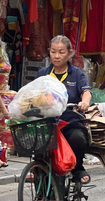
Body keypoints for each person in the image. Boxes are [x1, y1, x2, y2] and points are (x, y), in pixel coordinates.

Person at [36, 35, 92, 184]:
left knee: (78, 139)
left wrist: (84, 102)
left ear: (69, 53)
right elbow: (33, 93)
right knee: (37, 146)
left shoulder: (77, 74)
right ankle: (38, 174)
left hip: (70, 121)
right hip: (47, 122)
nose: (57, 56)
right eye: (53, 52)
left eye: (61, 52)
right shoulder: (43, 74)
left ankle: (77, 169)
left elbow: (86, 92)